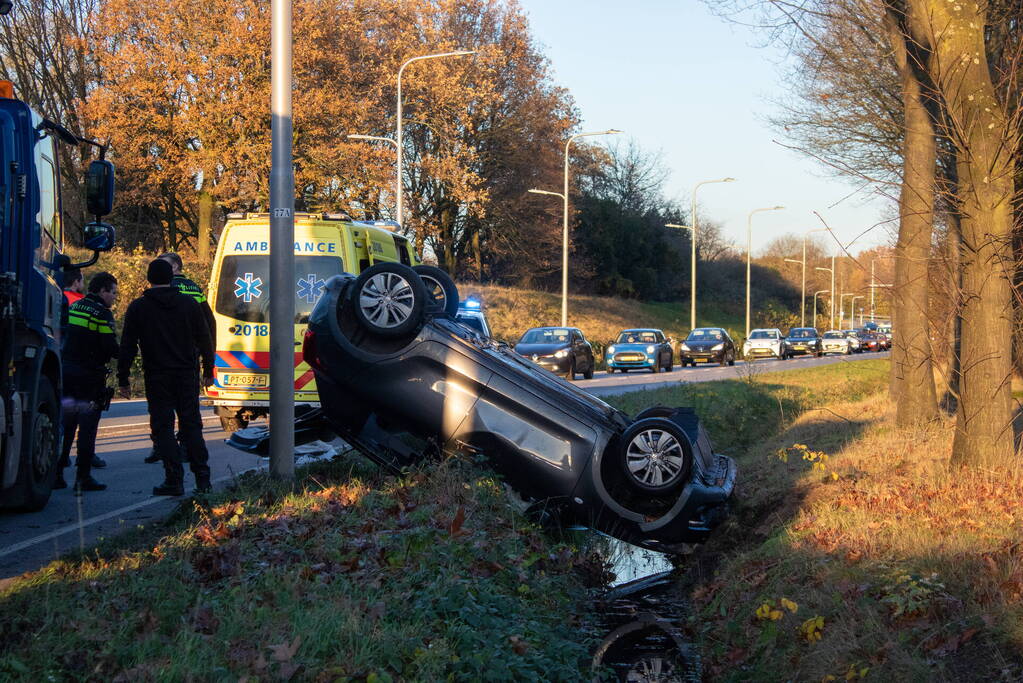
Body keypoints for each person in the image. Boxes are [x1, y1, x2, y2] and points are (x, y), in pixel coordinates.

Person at [118, 259, 215, 496]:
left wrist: (123, 378)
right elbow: (205, 338)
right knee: (191, 425)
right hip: (186, 374)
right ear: (171, 278)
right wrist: (208, 370)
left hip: (157, 375)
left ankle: (173, 479)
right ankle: (203, 479)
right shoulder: (189, 304)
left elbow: (128, 345)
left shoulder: (139, 308)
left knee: (163, 427)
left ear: (149, 280)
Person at [140, 252, 216, 465]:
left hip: (161, 359)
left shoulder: (158, 293)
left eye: (163, 264)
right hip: (188, 358)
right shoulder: (194, 289)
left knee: (161, 414)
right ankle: (188, 455)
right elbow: (208, 325)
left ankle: (162, 449)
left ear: (174, 267)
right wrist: (208, 358)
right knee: (188, 412)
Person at [58, 271, 118, 492]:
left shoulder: (76, 307)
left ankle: (57, 472)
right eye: (113, 293)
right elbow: (109, 346)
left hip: (68, 371)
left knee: (67, 424)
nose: (114, 298)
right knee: (87, 427)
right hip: (90, 376)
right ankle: (83, 477)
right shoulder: (102, 313)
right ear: (102, 291)